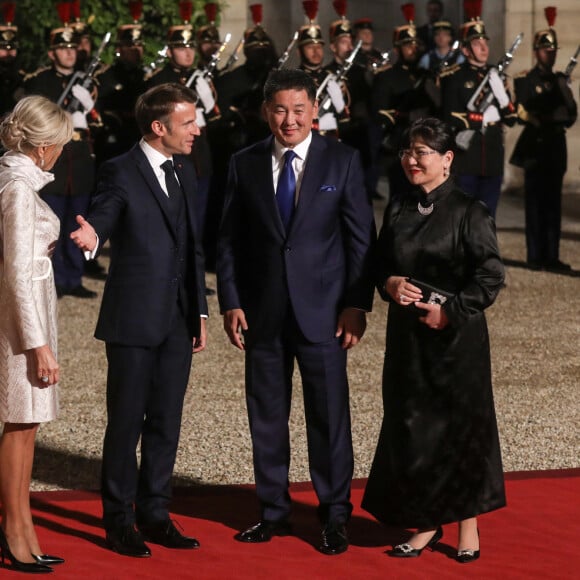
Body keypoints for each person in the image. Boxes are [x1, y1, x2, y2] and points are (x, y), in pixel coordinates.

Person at [217, 68, 375, 556]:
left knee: (329, 418)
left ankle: (333, 516)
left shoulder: (342, 161)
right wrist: (231, 300)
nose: (290, 120)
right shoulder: (243, 163)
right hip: (262, 314)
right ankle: (272, 512)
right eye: (280, 110)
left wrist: (356, 304)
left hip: (325, 315)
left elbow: (360, 241)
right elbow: (227, 240)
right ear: (267, 112)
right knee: (266, 416)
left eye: (299, 110)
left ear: (315, 111)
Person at [69, 83, 208, 558]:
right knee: (126, 423)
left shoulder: (186, 170)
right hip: (132, 319)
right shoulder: (120, 170)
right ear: (159, 127)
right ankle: (119, 520)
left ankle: (155, 513)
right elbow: (105, 211)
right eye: (188, 122)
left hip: (177, 319)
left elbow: (192, 247)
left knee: (167, 422)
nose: (197, 129)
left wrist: (200, 312)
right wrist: (91, 236)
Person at [362, 118, 506, 564]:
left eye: (422, 151)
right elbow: (378, 262)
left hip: (456, 340)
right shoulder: (400, 208)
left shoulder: (470, 211)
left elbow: (490, 276)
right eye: (407, 150)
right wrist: (388, 283)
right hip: (408, 339)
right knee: (412, 428)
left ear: (447, 159)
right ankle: (425, 521)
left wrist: (450, 311)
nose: (411, 159)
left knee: (460, 429)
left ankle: (467, 523)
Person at [0, 96, 73, 573]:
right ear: (44, 146)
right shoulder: (18, 189)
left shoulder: (19, 180)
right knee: (20, 425)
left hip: (28, 319)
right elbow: (18, 273)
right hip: (21, 326)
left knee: (27, 427)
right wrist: (38, 344)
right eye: (62, 144)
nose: (64, 152)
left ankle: (23, 527)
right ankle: (14, 530)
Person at [22, 16, 98, 298]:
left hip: (77, 163)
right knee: (48, 225)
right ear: (52, 52)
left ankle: (73, 277)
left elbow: (99, 125)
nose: (69, 52)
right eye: (63, 48)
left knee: (76, 223)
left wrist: (90, 111)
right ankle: (48, 280)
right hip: (51, 160)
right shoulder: (39, 81)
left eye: (73, 48)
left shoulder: (89, 81)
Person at [510, 7, 577, 272]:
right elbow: (523, 110)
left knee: (553, 206)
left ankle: (552, 255)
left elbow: (570, 114)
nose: (548, 54)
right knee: (534, 204)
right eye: (544, 50)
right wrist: (548, 115)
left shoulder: (560, 81)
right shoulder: (525, 80)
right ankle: (535, 255)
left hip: (554, 147)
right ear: (536, 51)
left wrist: (561, 93)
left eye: (552, 51)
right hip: (534, 148)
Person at [440, 4, 516, 218]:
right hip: (467, 158)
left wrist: (502, 96)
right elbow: (449, 116)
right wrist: (481, 118)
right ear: (465, 50)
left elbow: (511, 118)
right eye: (476, 43)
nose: (483, 48)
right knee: (463, 216)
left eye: (485, 42)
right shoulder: (455, 77)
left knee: (487, 216)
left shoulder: (497, 77)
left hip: (492, 156)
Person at [370, 4, 439, 200]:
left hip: (426, 146)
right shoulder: (387, 77)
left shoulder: (425, 75)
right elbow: (378, 112)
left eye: (416, 44)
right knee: (400, 200)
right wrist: (405, 116)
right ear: (397, 49)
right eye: (408, 45)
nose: (413, 49)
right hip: (399, 146)